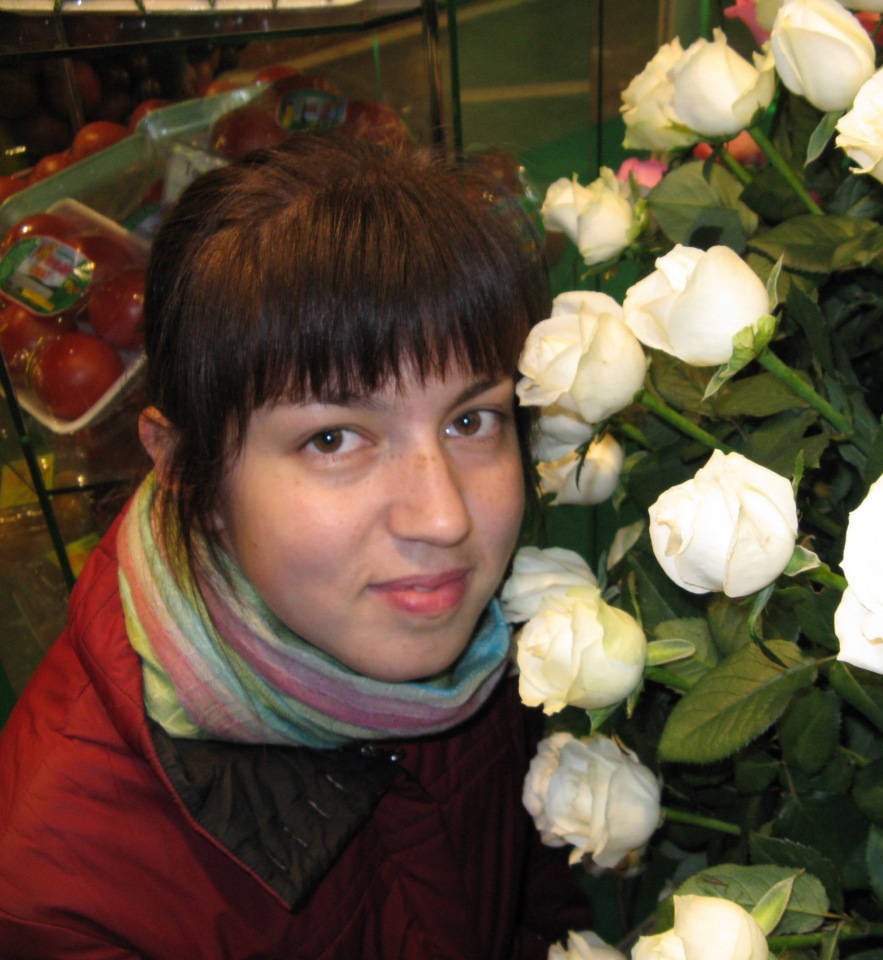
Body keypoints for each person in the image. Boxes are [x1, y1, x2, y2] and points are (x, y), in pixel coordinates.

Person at [0, 132, 590, 959]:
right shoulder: (64, 905)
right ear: (188, 473)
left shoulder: (480, 627)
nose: (445, 519)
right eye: (333, 439)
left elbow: (537, 897)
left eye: (470, 419)